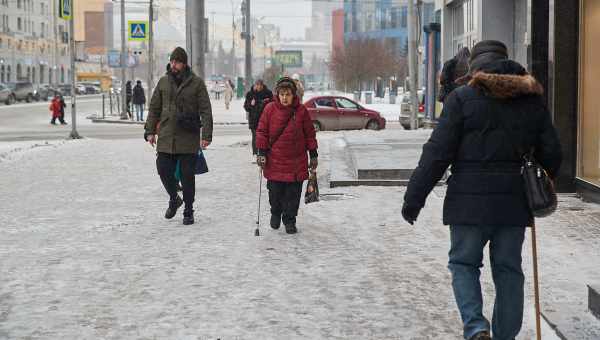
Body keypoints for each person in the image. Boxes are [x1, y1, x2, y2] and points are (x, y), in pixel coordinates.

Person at [401, 40, 562, 340]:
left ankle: (476, 329)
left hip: (468, 203)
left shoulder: (461, 99)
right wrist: (541, 179)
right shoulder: (531, 99)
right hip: (514, 204)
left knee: (463, 263)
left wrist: (414, 198)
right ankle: (504, 336)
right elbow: (552, 153)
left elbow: (437, 153)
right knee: (509, 271)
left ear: (474, 67)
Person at [144, 46, 214, 225]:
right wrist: (150, 131)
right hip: (166, 135)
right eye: (172, 61)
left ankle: (189, 210)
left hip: (188, 136)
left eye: (177, 62)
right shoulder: (163, 82)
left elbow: (206, 110)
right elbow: (154, 108)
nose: (174, 64)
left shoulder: (196, 83)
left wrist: (206, 135)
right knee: (162, 168)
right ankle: (174, 198)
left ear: (184, 64)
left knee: (187, 176)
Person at [255, 77, 318, 234]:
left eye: (288, 94)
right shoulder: (270, 109)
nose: (284, 97)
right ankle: (275, 213)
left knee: (293, 195)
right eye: (282, 94)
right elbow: (262, 131)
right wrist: (261, 152)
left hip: (296, 162)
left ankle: (290, 220)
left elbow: (310, 134)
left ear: (293, 95)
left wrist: (313, 154)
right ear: (277, 94)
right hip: (275, 161)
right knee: (275, 193)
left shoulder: (301, 111)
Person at [244, 79, 273, 157]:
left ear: (262, 85)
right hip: (254, 120)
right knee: (255, 137)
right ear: (254, 85)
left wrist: (265, 102)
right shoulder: (250, 94)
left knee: (265, 137)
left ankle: (264, 153)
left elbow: (272, 105)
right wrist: (251, 104)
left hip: (265, 119)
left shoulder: (268, 93)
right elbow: (246, 107)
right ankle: (255, 153)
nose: (258, 87)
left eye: (260, 85)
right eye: (256, 85)